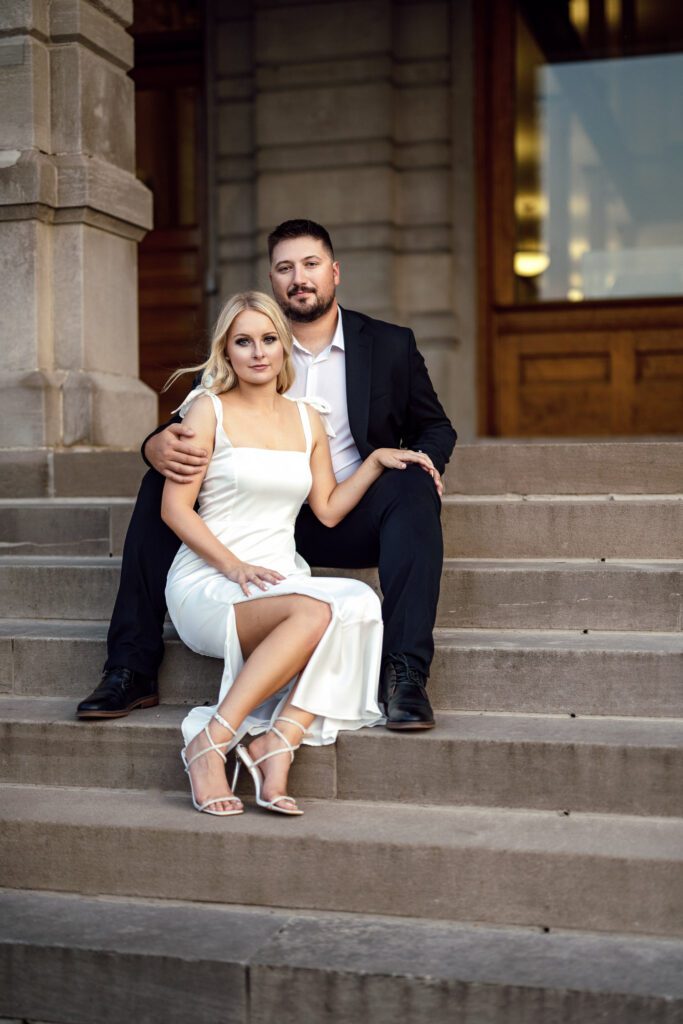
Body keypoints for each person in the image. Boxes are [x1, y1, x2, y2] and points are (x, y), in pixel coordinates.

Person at [77, 219, 456, 729]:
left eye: (311, 264)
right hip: (259, 519)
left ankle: (405, 673)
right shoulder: (254, 343)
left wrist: (419, 460)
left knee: (410, 485)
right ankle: (131, 665)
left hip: (344, 508)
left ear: (335, 272)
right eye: (285, 268)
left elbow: (435, 427)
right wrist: (152, 444)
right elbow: (191, 421)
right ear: (273, 281)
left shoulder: (390, 345)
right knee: (160, 483)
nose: (299, 277)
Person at [160, 290, 431, 815]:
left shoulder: (309, 419)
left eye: (268, 340)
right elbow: (176, 510)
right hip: (211, 581)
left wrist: (374, 461)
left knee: (359, 601)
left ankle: (277, 740)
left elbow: (327, 509)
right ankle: (211, 740)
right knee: (316, 611)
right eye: (243, 342)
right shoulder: (205, 409)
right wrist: (232, 564)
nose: (258, 352)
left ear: (283, 348)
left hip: (280, 577)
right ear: (227, 352)